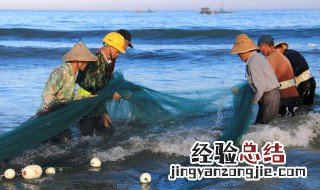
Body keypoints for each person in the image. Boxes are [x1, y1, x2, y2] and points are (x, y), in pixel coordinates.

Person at [76, 30, 133, 136]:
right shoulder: (96, 63)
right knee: (86, 137)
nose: (119, 53)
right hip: (86, 103)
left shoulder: (105, 60)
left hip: (94, 103)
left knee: (103, 134)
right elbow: (93, 90)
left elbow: (99, 87)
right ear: (110, 46)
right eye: (118, 50)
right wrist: (110, 98)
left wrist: (104, 112)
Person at [231, 34, 280, 124]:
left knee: (265, 126)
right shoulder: (256, 58)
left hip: (269, 96)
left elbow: (261, 86)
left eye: (239, 53)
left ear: (245, 51)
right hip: (270, 95)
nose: (238, 56)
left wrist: (252, 101)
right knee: (263, 125)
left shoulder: (253, 62)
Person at [40, 40, 98, 112]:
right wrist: (49, 111)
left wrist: (87, 97)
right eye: (86, 61)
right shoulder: (61, 71)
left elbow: (70, 96)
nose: (88, 64)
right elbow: (47, 93)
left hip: (61, 111)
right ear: (79, 60)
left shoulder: (75, 74)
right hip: (49, 113)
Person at [258, 35, 300, 117]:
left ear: (265, 46)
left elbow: (265, 80)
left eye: (260, 49)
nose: (261, 52)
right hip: (295, 96)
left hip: (285, 98)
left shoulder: (270, 58)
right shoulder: (282, 56)